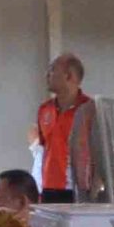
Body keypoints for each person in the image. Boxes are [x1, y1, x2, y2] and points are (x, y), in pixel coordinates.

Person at [33, 54, 88, 203]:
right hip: (48, 189)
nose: (47, 74)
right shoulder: (44, 109)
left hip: (79, 191)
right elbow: (42, 151)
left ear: (68, 76)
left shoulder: (90, 110)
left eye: (52, 70)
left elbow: (102, 152)